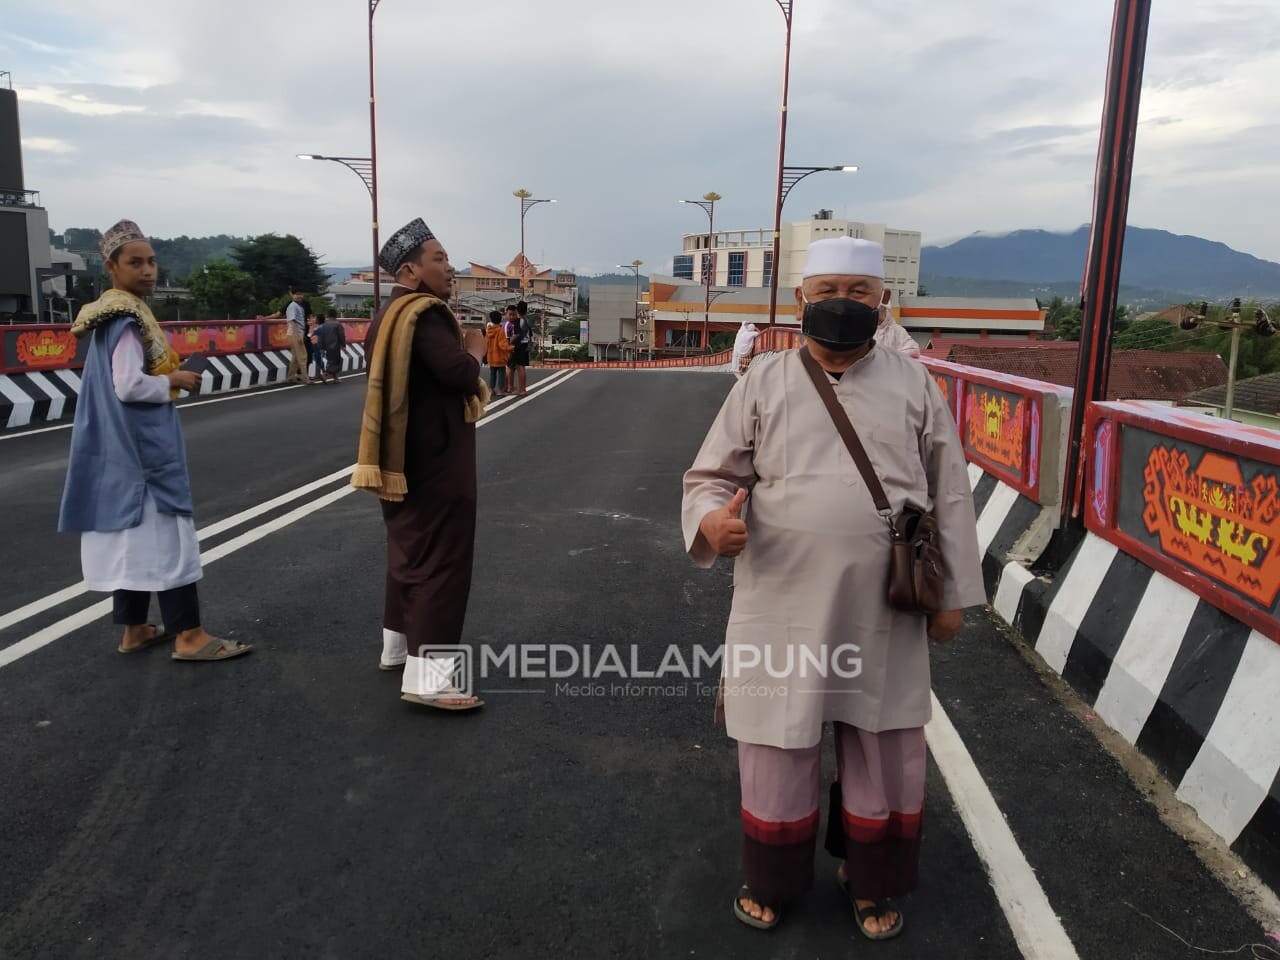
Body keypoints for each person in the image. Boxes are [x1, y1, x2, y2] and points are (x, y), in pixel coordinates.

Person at [681, 236, 983, 939]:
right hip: (780, 596)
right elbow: (711, 476)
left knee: (884, 739)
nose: (842, 304)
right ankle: (773, 877)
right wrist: (712, 524)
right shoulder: (764, 380)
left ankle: (870, 879)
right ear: (801, 300)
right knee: (776, 740)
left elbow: (950, 492)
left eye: (858, 292)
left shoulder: (915, 385)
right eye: (826, 293)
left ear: (882, 301)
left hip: (886, 599)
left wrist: (951, 596)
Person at [57, 220, 252, 662]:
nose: (147, 270)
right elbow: (128, 385)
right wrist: (174, 380)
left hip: (118, 451)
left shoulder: (106, 314)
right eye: (135, 263)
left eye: (151, 261)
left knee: (130, 541)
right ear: (111, 267)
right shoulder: (127, 318)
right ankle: (190, 636)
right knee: (169, 542)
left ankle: (135, 630)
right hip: (143, 452)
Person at [352, 217, 488, 711]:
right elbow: (456, 373)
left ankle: (397, 648)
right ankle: (429, 679)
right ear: (410, 271)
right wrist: (474, 350)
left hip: (399, 458)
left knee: (408, 553)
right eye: (439, 259)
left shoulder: (387, 315)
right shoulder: (424, 314)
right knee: (441, 562)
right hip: (436, 460)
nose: (449, 268)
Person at [873, 291, 921, 357]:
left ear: (887, 311)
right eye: (876, 310)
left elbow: (913, 349)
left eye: (882, 309)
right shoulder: (865, 329)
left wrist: (892, 356)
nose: (878, 313)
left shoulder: (897, 330)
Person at [507, 300, 531, 395]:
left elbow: (516, 334)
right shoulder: (527, 320)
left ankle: (512, 388)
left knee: (513, 366)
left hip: (517, 345)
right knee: (522, 367)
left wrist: (509, 343)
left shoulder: (517, 321)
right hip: (525, 345)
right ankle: (522, 389)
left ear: (517, 310)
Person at [485, 310, 511, 395]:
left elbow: (486, 343)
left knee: (492, 373)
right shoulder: (500, 331)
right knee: (501, 374)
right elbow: (502, 344)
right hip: (500, 357)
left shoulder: (488, 331)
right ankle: (500, 390)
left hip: (491, 357)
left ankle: (491, 390)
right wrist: (510, 348)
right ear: (500, 320)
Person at [317, 312, 347, 383]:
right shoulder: (338, 324)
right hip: (335, 345)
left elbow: (321, 336)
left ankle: (335, 378)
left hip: (326, 346)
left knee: (331, 361)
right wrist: (343, 345)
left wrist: (321, 347)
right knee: (335, 361)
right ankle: (325, 374)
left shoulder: (324, 325)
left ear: (328, 315)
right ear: (335, 315)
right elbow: (341, 335)